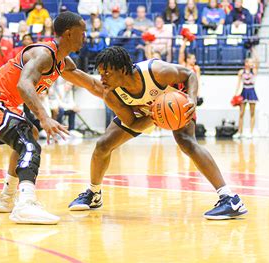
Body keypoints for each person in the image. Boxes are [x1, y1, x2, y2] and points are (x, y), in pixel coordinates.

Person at [68, 46, 248, 220]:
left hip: (177, 101)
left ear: (122, 69)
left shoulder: (156, 71)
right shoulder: (111, 94)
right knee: (103, 145)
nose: (102, 78)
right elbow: (132, 123)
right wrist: (155, 115)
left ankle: (229, 199)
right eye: (100, 73)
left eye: (106, 72)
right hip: (147, 112)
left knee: (186, 141)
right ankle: (94, 193)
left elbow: (189, 75)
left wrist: (192, 98)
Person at [0, 11, 106, 224]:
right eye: (83, 33)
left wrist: (132, 97)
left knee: (29, 134)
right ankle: (25, 204)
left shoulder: (61, 62)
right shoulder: (44, 54)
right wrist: (44, 117)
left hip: (1, 102)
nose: (85, 37)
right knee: (29, 141)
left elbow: (94, 85)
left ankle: (6, 198)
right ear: (69, 34)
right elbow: (23, 84)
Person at [233, 51, 259, 139]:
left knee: (252, 113)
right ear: (246, 63)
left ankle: (251, 132)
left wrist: (254, 52)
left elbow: (258, 61)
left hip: (251, 91)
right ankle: (240, 132)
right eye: (249, 62)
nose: (251, 64)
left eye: (252, 62)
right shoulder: (241, 72)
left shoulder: (254, 71)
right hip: (244, 91)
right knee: (241, 113)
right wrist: (235, 94)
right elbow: (238, 84)